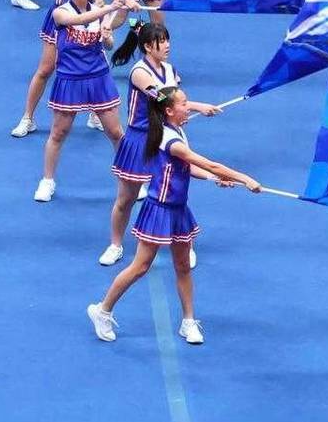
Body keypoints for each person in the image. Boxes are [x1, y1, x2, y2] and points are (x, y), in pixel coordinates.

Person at [87, 86, 260, 345]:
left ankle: (188, 322)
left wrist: (214, 178)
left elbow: (189, 168)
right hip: (159, 209)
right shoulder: (170, 139)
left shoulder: (177, 131)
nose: (188, 107)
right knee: (140, 266)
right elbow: (207, 163)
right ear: (169, 111)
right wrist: (245, 178)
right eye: (184, 103)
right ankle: (102, 310)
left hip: (179, 209)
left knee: (182, 265)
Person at [99, 22, 220, 268]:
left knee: (176, 192)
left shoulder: (170, 70)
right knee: (126, 198)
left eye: (167, 40)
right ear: (147, 46)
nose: (167, 45)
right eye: (161, 41)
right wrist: (198, 106)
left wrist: (184, 113)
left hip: (165, 136)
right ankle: (115, 244)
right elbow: (164, 99)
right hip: (140, 139)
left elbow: (176, 103)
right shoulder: (139, 72)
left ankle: (185, 246)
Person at [33, 0, 129, 202]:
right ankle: (47, 181)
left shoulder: (98, 12)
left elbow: (108, 46)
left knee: (116, 132)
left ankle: (129, 180)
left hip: (98, 78)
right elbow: (77, 20)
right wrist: (110, 8)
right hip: (70, 79)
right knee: (58, 133)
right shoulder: (60, 13)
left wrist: (107, 36)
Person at [11, 0, 135, 139]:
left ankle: (96, 114)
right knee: (45, 69)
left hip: (89, 15)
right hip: (64, 18)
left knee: (95, 62)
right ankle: (27, 118)